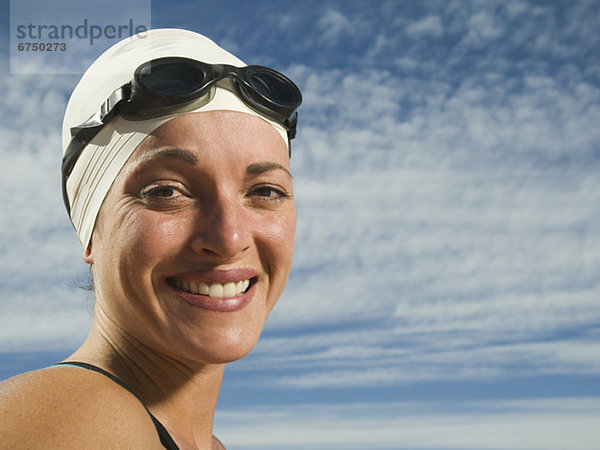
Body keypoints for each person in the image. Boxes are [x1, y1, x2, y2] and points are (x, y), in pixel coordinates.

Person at [0, 28, 301, 449]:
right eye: (166, 192)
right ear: (90, 231)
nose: (229, 238)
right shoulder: (76, 422)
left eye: (265, 192)